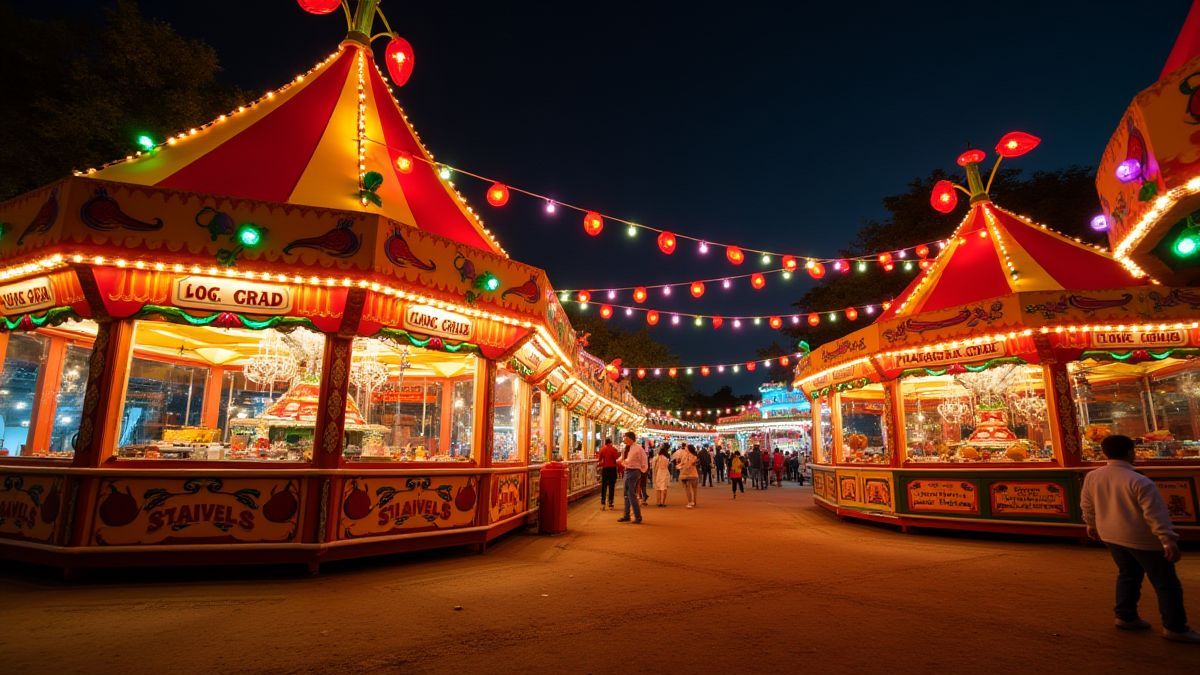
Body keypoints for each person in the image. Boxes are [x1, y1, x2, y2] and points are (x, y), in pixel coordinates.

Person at [1081, 434, 1199, 643]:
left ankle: (1125, 616)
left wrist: (1091, 523)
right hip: (1142, 539)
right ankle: (1175, 627)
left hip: (1110, 535)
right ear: (1130, 452)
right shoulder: (1139, 480)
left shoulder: (1093, 476)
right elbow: (1155, 514)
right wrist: (1167, 539)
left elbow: (1087, 503)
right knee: (1166, 583)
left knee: (1128, 574)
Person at [617, 432, 647, 524]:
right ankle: (627, 515)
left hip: (633, 471)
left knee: (631, 494)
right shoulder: (628, 448)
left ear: (630, 438)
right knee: (626, 494)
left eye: (625, 438)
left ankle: (637, 517)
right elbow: (622, 458)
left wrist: (622, 462)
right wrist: (619, 460)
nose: (624, 440)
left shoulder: (636, 448)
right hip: (629, 471)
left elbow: (629, 460)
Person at [597, 437, 620, 510]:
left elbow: (599, 459)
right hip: (612, 469)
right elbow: (617, 459)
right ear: (610, 442)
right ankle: (611, 503)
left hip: (605, 469)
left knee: (604, 486)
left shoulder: (602, 449)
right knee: (611, 486)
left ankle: (603, 503)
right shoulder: (614, 449)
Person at [674, 444, 700, 508]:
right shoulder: (695, 456)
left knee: (687, 489)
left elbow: (685, 465)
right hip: (694, 474)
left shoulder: (685, 456)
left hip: (687, 475)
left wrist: (678, 466)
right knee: (695, 489)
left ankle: (690, 502)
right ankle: (694, 501)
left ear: (688, 449)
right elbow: (694, 463)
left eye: (686, 447)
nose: (685, 448)